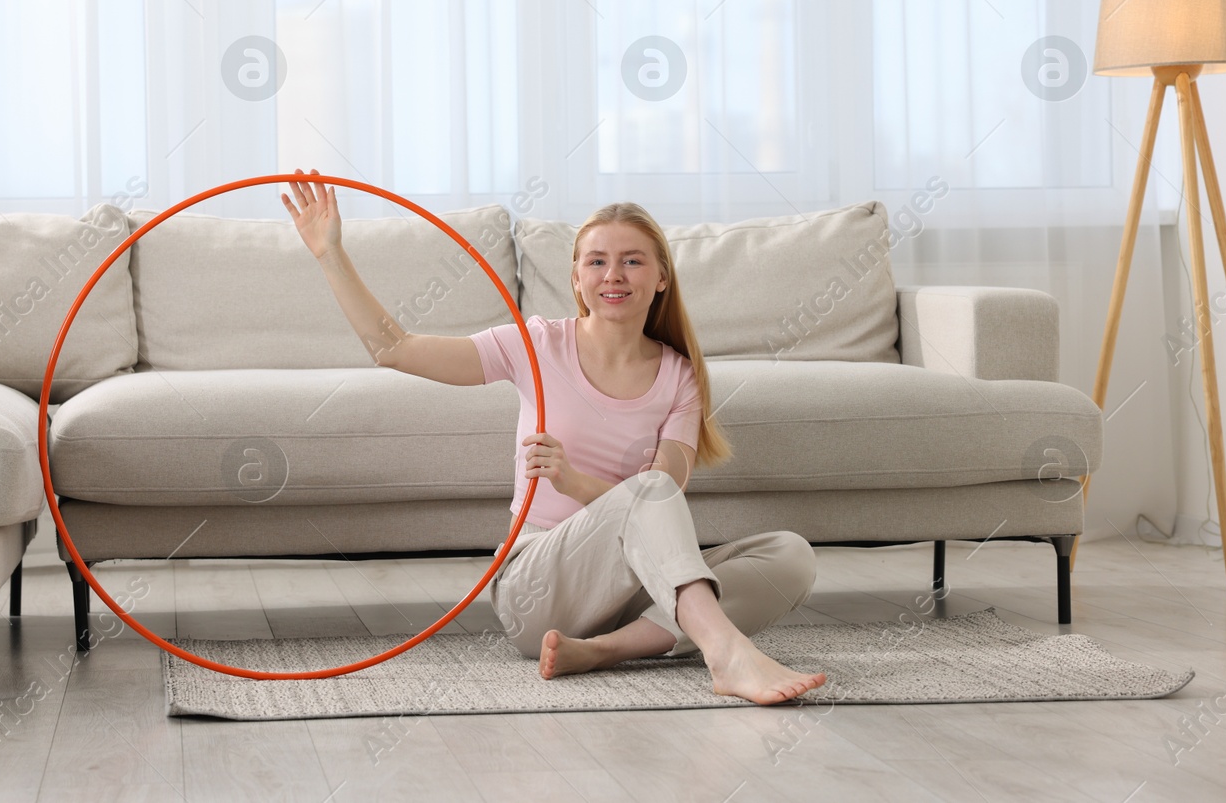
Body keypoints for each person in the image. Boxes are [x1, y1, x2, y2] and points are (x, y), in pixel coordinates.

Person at [281, 168, 826, 704]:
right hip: (536, 587)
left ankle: (603, 650)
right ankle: (725, 652)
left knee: (791, 555)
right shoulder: (534, 344)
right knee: (650, 495)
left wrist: (573, 479)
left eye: (632, 260)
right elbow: (393, 348)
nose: (613, 274)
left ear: (661, 277)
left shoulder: (680, 375)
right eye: (597, 261)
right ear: (576, 279)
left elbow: (664, 489)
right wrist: (330, 252)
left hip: (632, 589)